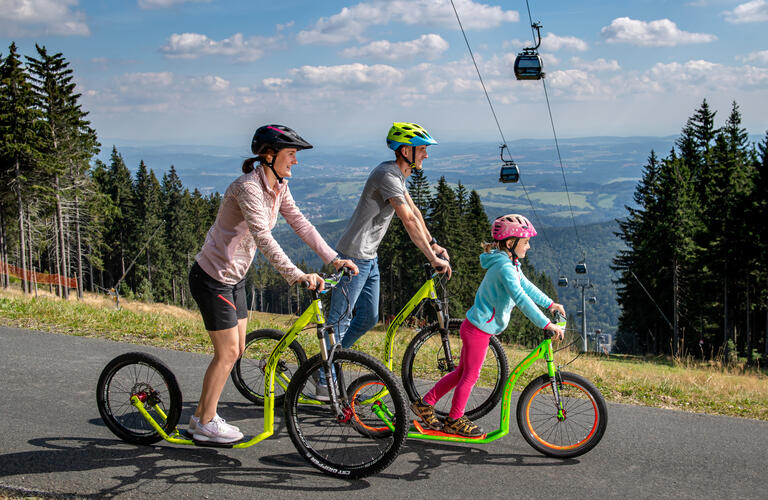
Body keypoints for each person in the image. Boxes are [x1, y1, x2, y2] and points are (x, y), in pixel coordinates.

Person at [188, 124, 358, 443]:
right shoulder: (248, 188)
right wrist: (297, 274)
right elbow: (263, 237)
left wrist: (334, 259)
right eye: (291, 155)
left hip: (233, 278)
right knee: (226, 353)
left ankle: (203, 414)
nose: (295, 161)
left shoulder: (278, 186)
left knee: (236, 351)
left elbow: (300, 224)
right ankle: (203, 421)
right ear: (269, 155)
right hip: (212, 278)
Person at [315, 122, 452, 397]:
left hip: (369, 258)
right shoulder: (386, 175)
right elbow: (407, 220)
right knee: (339, 320)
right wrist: (430, 256)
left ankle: (336, 356)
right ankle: (323, 378)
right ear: (406, 150)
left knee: (368, 317)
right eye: (422, 149)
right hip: (353, 257)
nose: (426, 155)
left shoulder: (399, 176)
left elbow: (415, 212)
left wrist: (434, 244)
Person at [410, 214, 566, 437]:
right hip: (479, 331)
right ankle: (454, 419)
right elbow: (521, 298)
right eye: (526, 242)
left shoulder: (510, 263)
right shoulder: (505, 268)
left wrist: (550, 304)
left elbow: (527, 287)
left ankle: (426, 404)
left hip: (476, 327)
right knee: (470, 376)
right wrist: (547, 324)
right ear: (510, 244)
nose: (529, 246)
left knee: (461, 373)